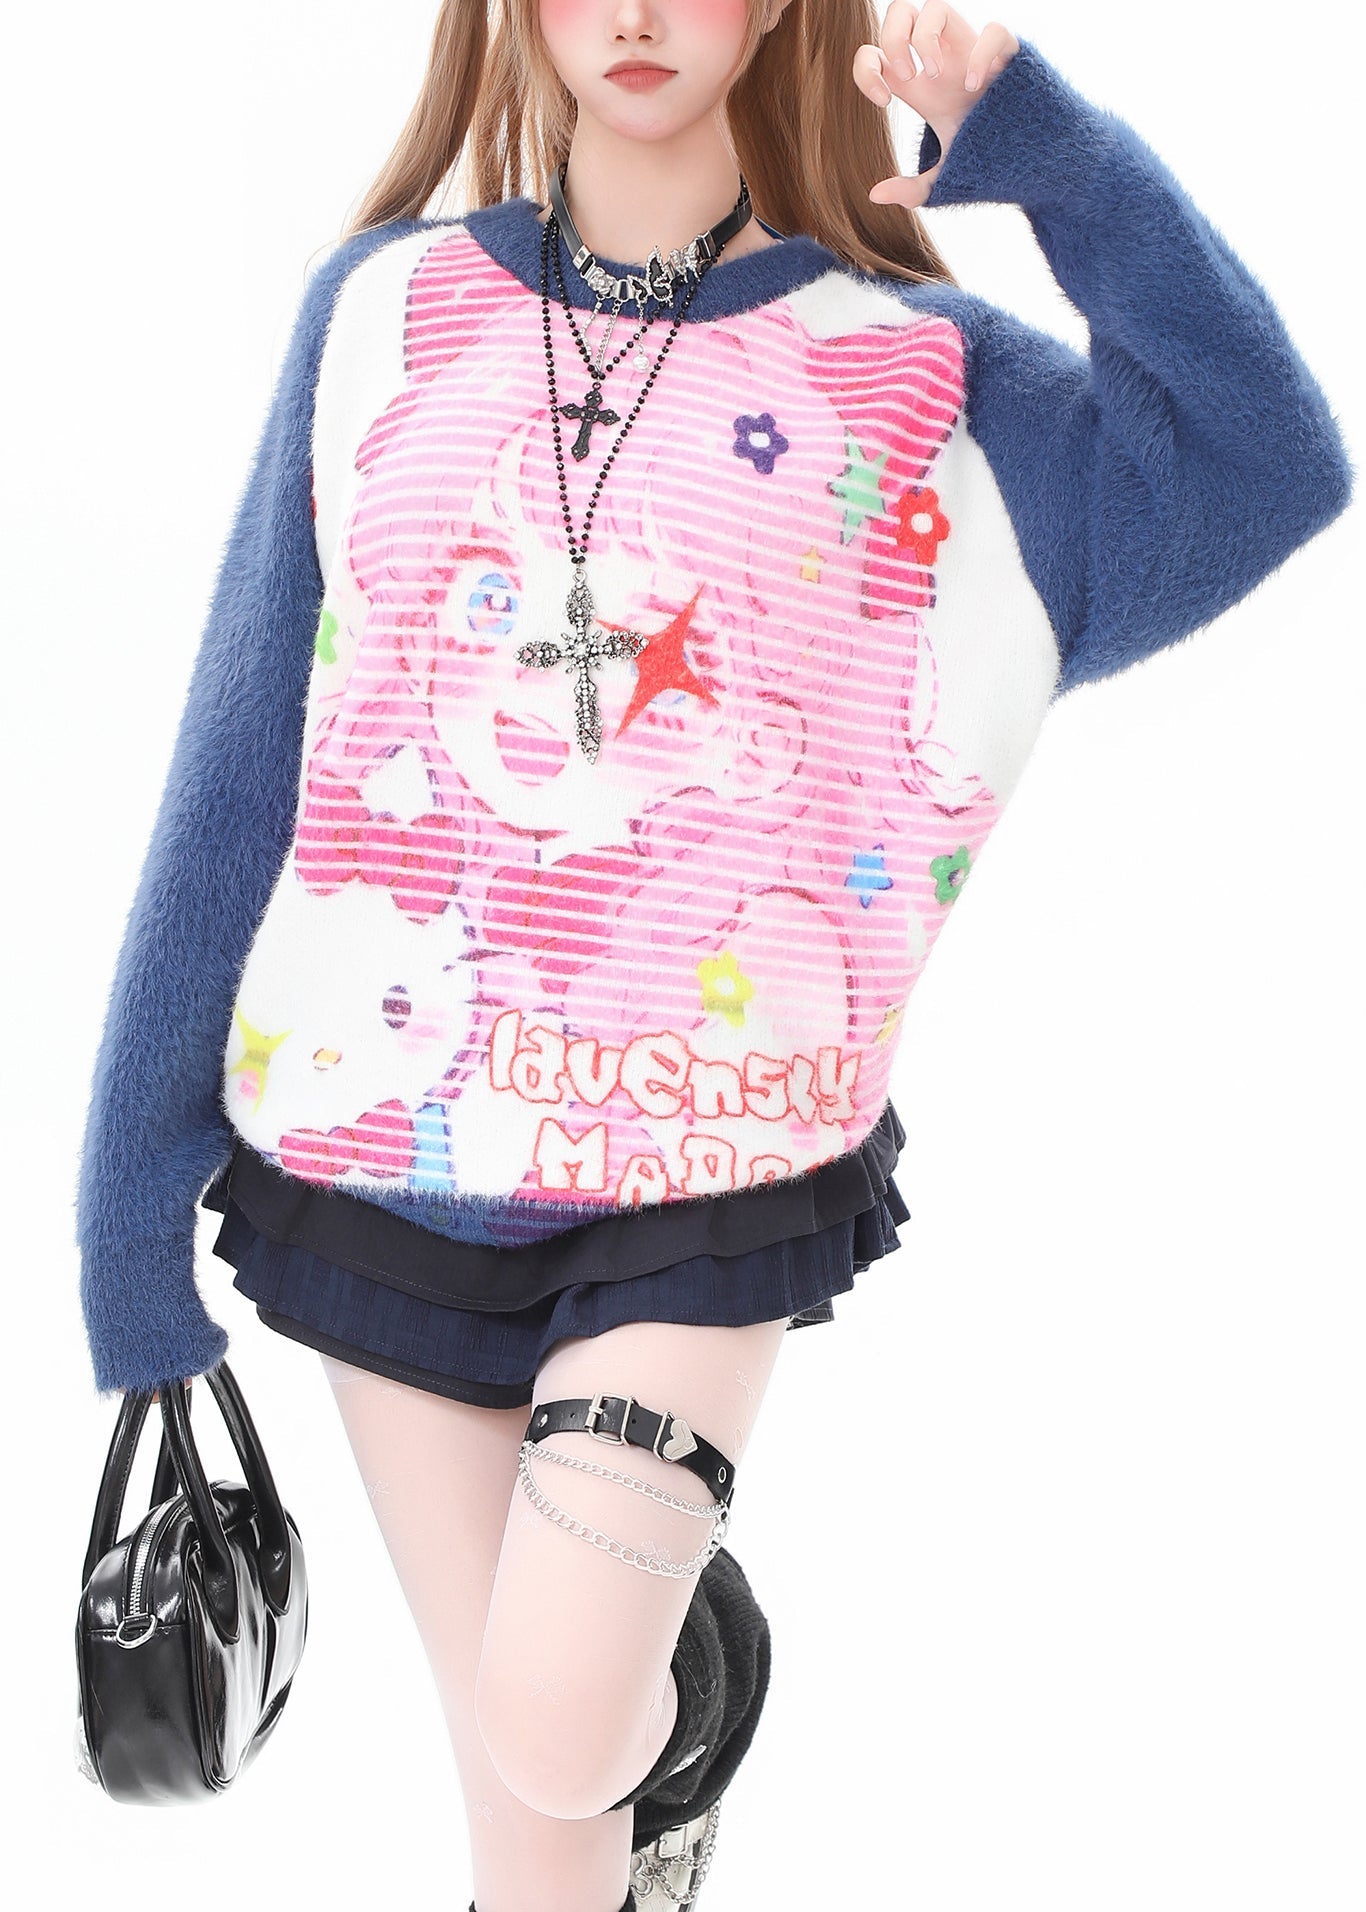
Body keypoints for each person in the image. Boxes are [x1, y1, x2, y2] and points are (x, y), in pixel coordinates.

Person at [74, 3, 1352, 1908]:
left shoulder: (912, 375)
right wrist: (127, 1207)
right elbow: (247, 755)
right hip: (377, 1147)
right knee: (533, 1837)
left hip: (705, 1154)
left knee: (561, 1722)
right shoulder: (379, 316)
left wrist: (1049, 153)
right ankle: (637, 1767)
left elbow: (1266, 465)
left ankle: (688, 1698)